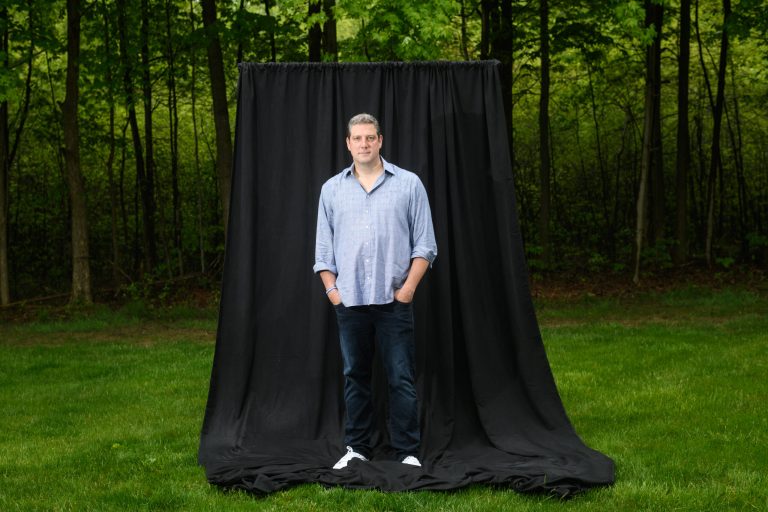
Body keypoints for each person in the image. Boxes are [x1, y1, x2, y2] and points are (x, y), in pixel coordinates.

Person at [313, 113, 437, 470]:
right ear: (348, 143)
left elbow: (425, 244)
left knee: (400, 376)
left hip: (394, 301)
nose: (364, 144)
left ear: (380, 140)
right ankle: (357, 448)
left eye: (370, 138)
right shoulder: (332, 190)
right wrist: (334, 292)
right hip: (349, 302)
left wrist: (409, 289)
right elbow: (323, 252)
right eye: (357, 138)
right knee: (355, 376)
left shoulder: (409, 184)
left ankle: (408, 451)